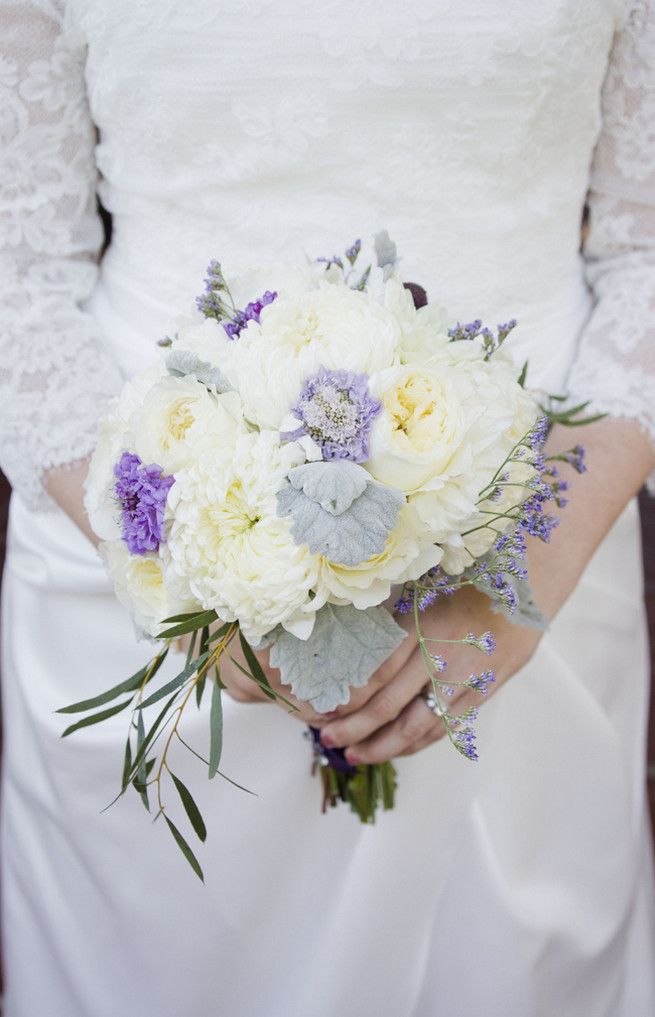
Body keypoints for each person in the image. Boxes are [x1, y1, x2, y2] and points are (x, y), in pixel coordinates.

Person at [1, 1, 654, 1015]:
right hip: (134, 580)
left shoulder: (528, 575)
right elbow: (18, 267)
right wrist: (185, 571)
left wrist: (522, 574)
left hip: (533, 567)